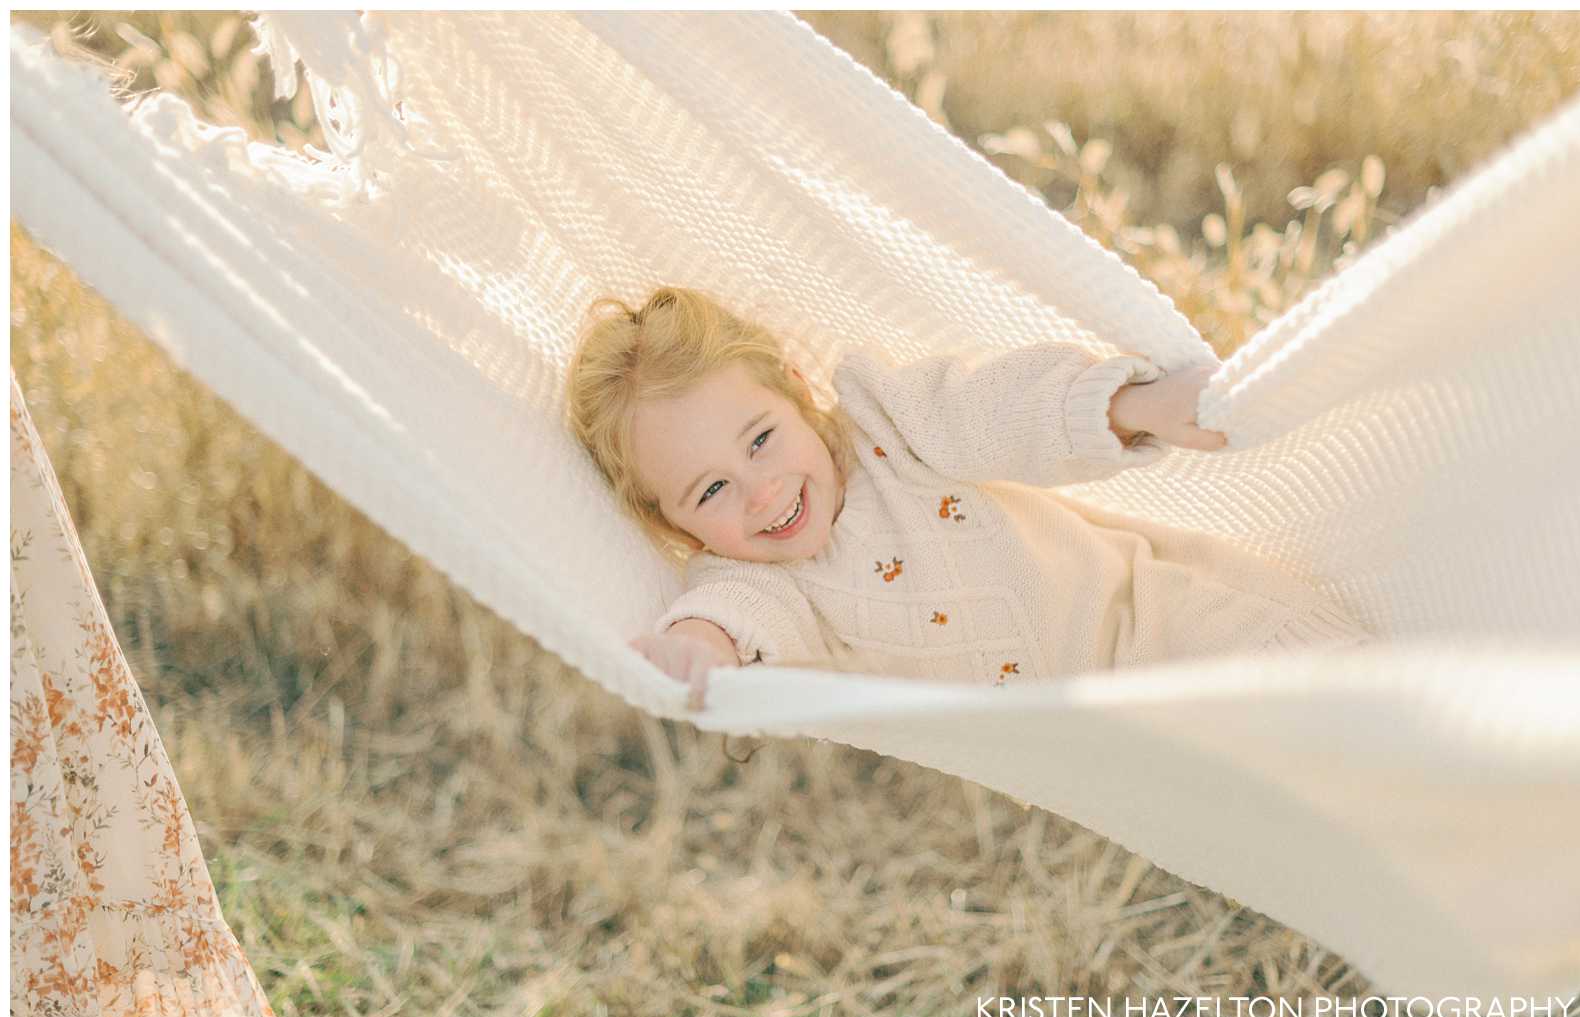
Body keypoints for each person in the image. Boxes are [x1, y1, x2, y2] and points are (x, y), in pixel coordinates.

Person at [567, 287, 1366, 708]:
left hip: (1144, 607)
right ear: (668, 523)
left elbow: (997, 410)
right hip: (1084, 730)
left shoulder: (890, 423)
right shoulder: (751, 576)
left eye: (761, 439)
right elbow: (738, 618)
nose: (762, 490)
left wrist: (1128, 406)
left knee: (1326, 676)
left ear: (797, 392)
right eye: (711, 489)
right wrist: (698, 648)